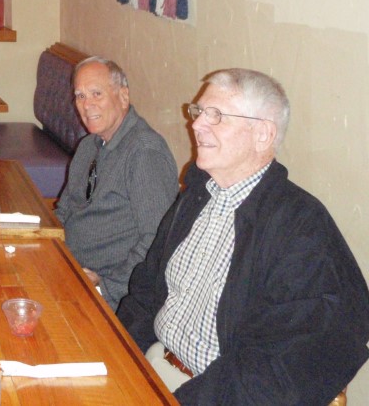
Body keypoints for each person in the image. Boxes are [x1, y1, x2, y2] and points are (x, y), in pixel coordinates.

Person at [117, 68, 369, 404]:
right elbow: (147, 287)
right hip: (151, 365)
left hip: (211, 395)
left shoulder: (301, 230)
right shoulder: (198, 195)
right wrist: (117, 353)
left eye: (216, 115)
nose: (196, 124)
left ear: (263, 135)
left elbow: (274, 372)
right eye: (199, 112)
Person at [54, 57, 177, 311]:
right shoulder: (90, 145)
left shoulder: (144, 153)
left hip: (110, 295)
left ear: (123, 96)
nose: (87, 105)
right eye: (80, 96)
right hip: (68, 271)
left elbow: (158, 242)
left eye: (96, 93)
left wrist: (105, 286)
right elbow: (64, 211)